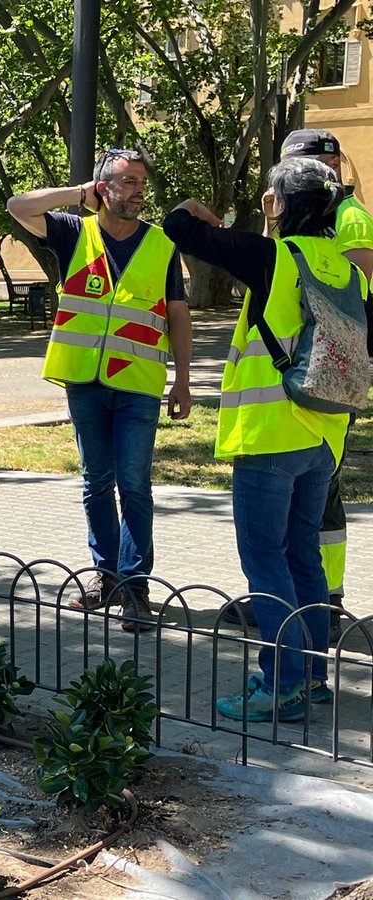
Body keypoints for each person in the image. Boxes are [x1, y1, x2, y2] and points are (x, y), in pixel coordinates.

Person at [164, 157, 367, 722]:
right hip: (324, 435)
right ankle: (313, 678)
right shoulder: (350, 269)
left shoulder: (274, 256)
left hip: (270, 433)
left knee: (265, 559)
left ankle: (282, 685)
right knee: (304, 555)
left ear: (282, 204)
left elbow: (179, 230)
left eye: (272, 197)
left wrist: (191, 208)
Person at [6, 148, 193, 631]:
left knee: (134, 484)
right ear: (103, 187)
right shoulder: (75, 231)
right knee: (96, 483)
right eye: (128, 182)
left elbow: (177, 315)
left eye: (141, 183)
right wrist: (78, 194)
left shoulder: (161, 243)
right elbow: (17, 206)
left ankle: (135, 587)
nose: (138, 191)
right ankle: (106, 576)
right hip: (85, 380)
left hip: (139, 384)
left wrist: (184, 380)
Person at [279, 130, 373, 643]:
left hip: (330, 371)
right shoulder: (317, 214)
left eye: (299, 166)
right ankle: (307, 597)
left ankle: (323, 600)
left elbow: (351, 289)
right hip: (313, 369)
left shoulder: (346, 215)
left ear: (330, 164)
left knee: (323, 492)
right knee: (315, 489)